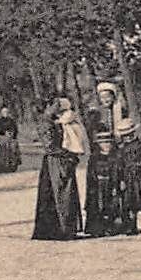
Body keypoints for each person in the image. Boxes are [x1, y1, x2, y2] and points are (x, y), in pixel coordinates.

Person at [102, 81, 141, 236]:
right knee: (130, 201)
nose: (127, 138)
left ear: (133, 133)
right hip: (128, 176)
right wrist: (119, 179)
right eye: (125, 136)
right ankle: (131, 226)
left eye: (129, 135)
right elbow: (120, 165)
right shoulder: (122, 149)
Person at [32, 97, 85, 241]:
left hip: (62, 161)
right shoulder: (46, 122)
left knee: (67, 193)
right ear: (48, 106)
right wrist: (68, 154)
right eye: (55, 106)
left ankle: (68, 228)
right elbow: (49, 147)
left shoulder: (56, 120)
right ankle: (61, 230)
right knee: (61, 193)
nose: (58, 109)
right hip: (55, 162)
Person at [84, 130, 127, 238]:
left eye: (108, 142)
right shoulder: (94, 157)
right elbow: (90, 173)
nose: (106, 145)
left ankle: (111, 227)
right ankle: (97, 228)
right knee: (97, 206)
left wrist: (119, 181)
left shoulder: (116, 157)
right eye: (103, 143)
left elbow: (120, 171)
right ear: (98, 144)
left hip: (111, 184)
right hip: (98, 185)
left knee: (112, 206)